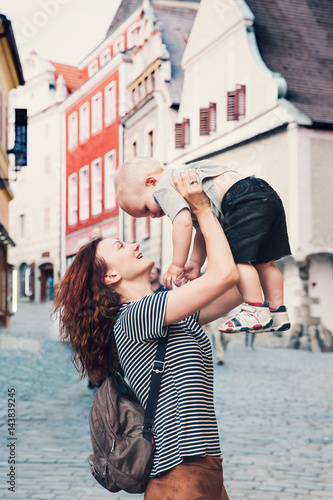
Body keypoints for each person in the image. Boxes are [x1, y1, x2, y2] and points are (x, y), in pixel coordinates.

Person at [54, 170, 242, 500]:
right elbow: (224, 275)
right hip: (178, 471)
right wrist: (201, 210)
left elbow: (238, 287)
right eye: (121, 246)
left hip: (204, 465)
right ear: (110, 275)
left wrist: (241, 215)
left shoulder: (163, 310)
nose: (135, 244)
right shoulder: (137, 316)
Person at [114, 156, 291, 334]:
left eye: (145, 208)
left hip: (239, 200)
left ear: (151, 182)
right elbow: (201, 229)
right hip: (263, 192)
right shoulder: (186, 176)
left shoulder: (164, 187)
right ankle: (278, 311)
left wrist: (177, 265)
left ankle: (255, 309)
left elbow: (182, 223)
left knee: (239, 259)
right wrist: (196, 261)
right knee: (266, 262)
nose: (152, 216)